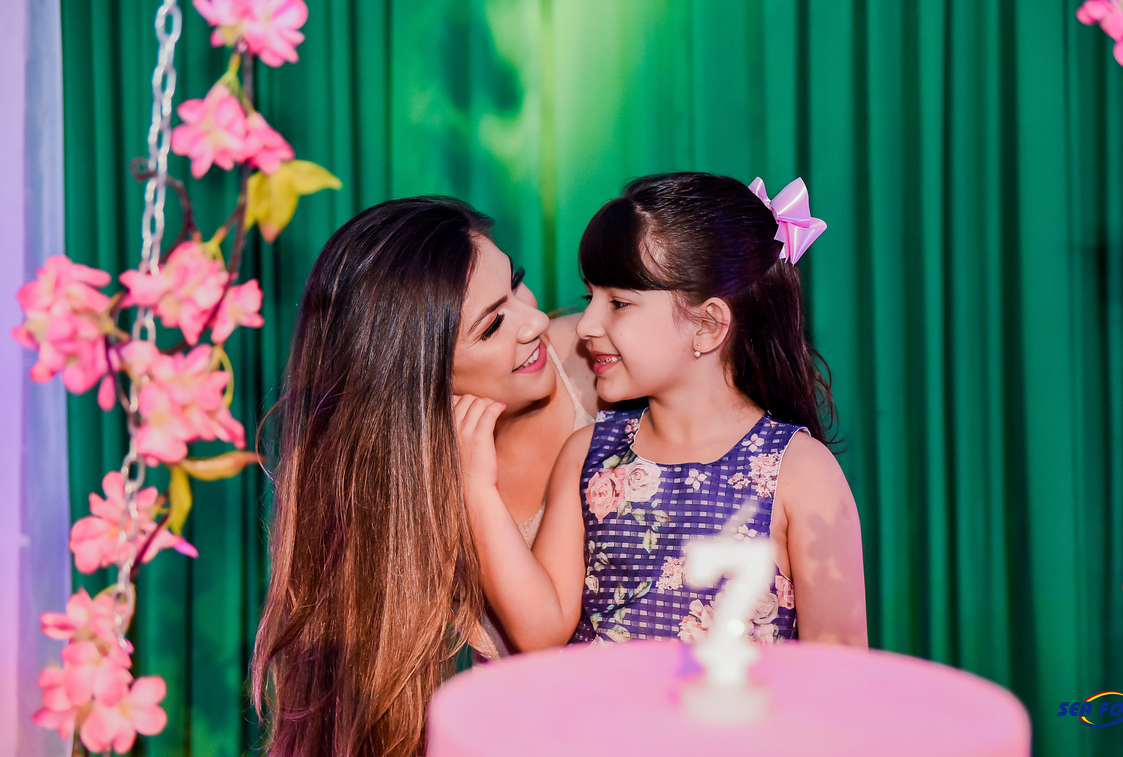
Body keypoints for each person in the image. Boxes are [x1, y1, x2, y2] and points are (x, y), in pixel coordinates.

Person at [456, 172, 868, 652]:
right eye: (591, 297)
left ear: (708, 325)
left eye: (618, 303)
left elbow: (840, 669)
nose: (586, 325)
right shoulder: (587, 454)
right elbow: (540, 632)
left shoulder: (801, 470)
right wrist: (477, 490)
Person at [251, 197, 597, 757]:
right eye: (492, 325)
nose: (535, 322)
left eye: (516, 283)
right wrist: (474, 492)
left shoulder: (600, 362)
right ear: (421, 374)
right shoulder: (398, 493)